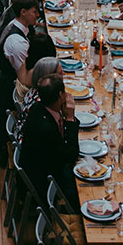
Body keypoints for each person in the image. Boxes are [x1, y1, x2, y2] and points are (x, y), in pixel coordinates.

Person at [0, 0, 39, 153]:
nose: (37, 15)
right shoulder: (16, 42)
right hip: (7, 88)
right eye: (35, 12)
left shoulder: (15, 25)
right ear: (23, 12)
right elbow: (24, 78)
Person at [19, 74, 80, 205]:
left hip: (41, 166)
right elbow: (71, 154)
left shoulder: (38, 108)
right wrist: (70, 119)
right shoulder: (45, 127)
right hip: (45, 180)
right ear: (60, 96)